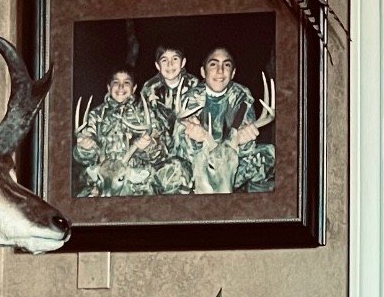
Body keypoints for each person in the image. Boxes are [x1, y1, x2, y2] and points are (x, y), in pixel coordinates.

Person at [72, 68, 187, 198]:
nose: (121, 87)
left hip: (136, 177)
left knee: (176, 168)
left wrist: (148, 146)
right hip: (103, 180)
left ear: (134, 88)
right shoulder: (96, 115)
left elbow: (162, 154)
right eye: (116, 82)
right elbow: (82, 159)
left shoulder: (146, 114)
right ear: (109, 87)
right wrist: (84, 148)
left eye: (126, 83)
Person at [177, 47, 276, 194]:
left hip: (229, 164)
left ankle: (255, 200)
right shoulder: (191, 98)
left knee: (270, 154)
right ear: (203, 72)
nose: (220, 71)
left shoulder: (241, 96)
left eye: (227, 65)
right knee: (175, 171)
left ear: (233, 73)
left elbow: (246, 149)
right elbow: (180, 148)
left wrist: (245, 140)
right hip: (201, 164)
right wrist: (196, 140)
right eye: (213, 64)